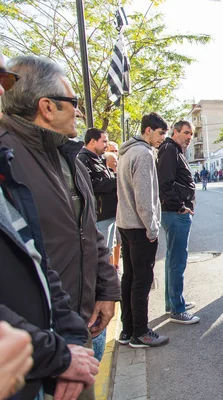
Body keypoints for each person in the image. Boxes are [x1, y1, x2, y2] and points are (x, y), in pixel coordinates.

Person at [0, 55, 120, 398]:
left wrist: (106, 289)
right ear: (47, 107)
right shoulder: (7, 157)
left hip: (71, 333)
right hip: (30, 354)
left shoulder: (69, 157)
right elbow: (32, 257)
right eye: (74, 102)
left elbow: (88, 231)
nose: (80, 112)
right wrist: (55, 352)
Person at [116, 112, 169, 348]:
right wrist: (152, 228)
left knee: (129, 278)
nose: (161, 139)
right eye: (160, 134)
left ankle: (127, 330)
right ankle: (140, 332)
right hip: (139, 227)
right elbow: (144, 199)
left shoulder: (126, 152)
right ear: (148, 130)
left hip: (125, 225)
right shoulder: (144, 154)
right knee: (142, 280)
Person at [77, 128, 119, 362]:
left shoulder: (94, 159)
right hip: (100, 218)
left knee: (107, 249)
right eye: (103, 141)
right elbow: (98, 186)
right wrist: (113, 177)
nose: (106, 144)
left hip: (106, 217)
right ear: (92, 141)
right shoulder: (83, 160)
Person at [156, 121, 199, 325]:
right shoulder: (169, 149)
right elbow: (165, 182)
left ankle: (173, 302)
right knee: (177, 261)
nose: (189, 137)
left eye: (191, 133)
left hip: (175, 211)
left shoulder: (173, 149)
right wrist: (180, 206)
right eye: (186, 133)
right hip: (175, 213)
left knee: (173, 259)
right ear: (175, 132)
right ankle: (177, 309)